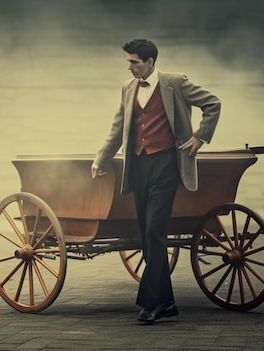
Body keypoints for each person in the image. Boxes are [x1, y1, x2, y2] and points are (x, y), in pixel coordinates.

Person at [91, 39, 220, 323]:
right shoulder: (127, 87)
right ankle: (166, 301)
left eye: (134, 62)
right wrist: (101, 159)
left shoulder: (176, 83)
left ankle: (155, 303)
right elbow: (118, 128)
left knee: (154, 232)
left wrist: (199, 137)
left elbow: (212, 103)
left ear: (150, 62)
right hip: (137, 166)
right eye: (128, 62)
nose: (129, 66)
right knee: (146, 233)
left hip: (166, 165)